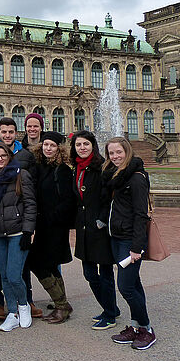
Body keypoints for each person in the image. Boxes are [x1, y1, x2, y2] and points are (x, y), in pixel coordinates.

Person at [0, 117, 40, 319]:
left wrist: (28, 229)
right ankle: (3, 306)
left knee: (18, 270)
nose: (7, 135)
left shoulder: (25, 159)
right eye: (4, 132)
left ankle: (26, 303)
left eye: (11, 132)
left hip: (16, 226)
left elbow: (31, 196)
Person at [102, 137, 156, 350]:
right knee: (134, 284)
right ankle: (136, 326)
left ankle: (147, 330)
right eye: (111, 153)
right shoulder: (115, 176)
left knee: (125, 287)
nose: (115, 157)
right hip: (117, 237)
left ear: (127, 152)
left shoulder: (136, 178)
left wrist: (136, 248)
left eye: (118, 152)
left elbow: (141, 215)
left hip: (129, 241)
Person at [70, 130, 120, 330]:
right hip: (84, 227)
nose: (82, 148)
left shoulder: (102, 168)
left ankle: (109, 314)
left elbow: (109, 196)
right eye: (78, 145)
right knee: (89, 273)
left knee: (106, 273)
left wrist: (101, 220)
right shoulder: (77, 169)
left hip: (99, 228)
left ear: (93, 146)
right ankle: (110, 308)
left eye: (86, 144)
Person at [28, 132, 75, 323]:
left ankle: (62, 304)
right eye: (46, 144)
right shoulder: (42, 167)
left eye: (52, 145)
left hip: (55, 226)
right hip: (43, 225)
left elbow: (68, 200)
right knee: (50, 264)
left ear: (59, 149)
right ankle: (61, 304)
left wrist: (52, 218)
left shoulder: (62, 170)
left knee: (39, 263)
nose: (48, 148)